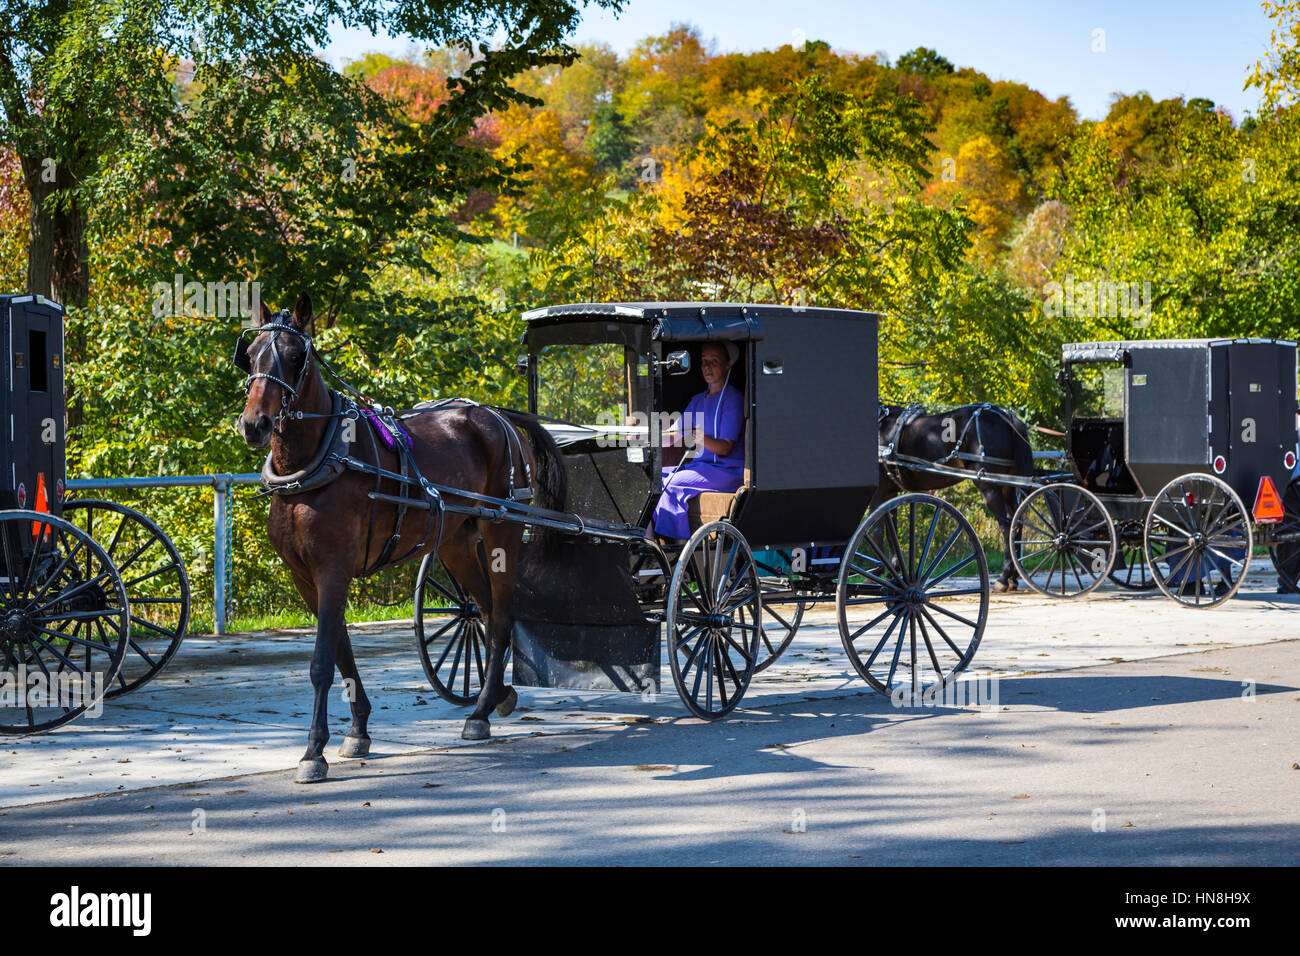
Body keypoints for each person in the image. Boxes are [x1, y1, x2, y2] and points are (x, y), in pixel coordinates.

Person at [651, 341, 745, 539]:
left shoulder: (734, 399)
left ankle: (677, 545)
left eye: (714, 361)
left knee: (674, 484)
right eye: (704, 361)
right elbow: (674, 435)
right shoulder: (698, 400)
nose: (707, 367)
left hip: (727, 471)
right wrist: (646, 437)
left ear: (728, 365)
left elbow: (725, 448)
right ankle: (649, 541)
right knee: (654, 478)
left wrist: (698, 436)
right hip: (701, 468)